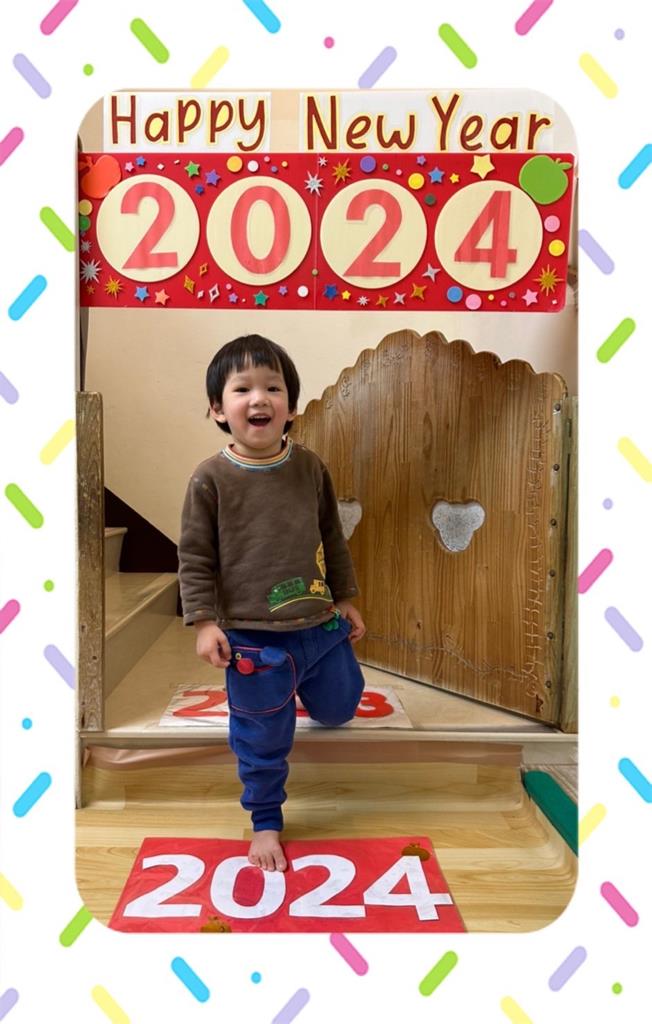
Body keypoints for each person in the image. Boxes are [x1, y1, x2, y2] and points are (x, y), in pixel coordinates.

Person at [178, 334, 366, 872]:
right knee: (262, 737)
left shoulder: (310, 467)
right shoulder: (210, 479)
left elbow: (332, 536)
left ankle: (302, 689)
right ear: (218, 409)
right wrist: (204, 623)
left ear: (291, 406)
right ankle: (266, 820)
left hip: (319, 626)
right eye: (242, 389)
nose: (259, 398)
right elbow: (194, 557)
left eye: (273, 388)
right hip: (252, 642)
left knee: (341, 708)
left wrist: (346, 598)